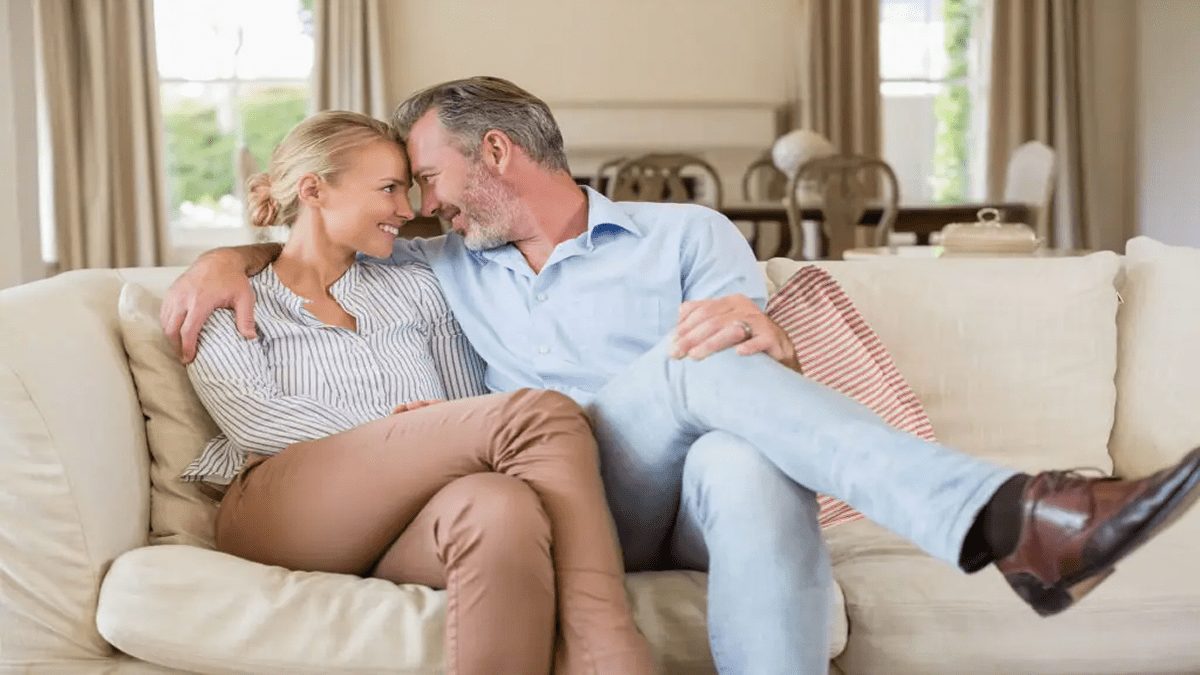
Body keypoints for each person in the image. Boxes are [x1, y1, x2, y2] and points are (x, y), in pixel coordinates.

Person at [164, 79, 1200, 675]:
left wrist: (769, 333)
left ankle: (1004, 522)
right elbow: (330, 240)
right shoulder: (442, 258)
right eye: (408, 192)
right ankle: (1011, 520)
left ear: (495, 154)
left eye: (428, 178)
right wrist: (230, 260)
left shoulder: (687, 233)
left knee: (743, 451)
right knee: (694, 371)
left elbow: (770, 360)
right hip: (563, 484)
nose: (422, 205)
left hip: (692, 486)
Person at [180, 110, 656, 675]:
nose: (409, 210)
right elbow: (257, 422)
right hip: (278, 506)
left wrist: (433, 435)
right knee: (539, 414)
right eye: (387, 190)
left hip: (407, 515)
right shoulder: (229, 294)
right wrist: (404, 434)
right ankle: (603, 647)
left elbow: (461, 406)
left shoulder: (418, 285)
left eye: (407, 189)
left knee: (502, 510)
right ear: (314, 190)